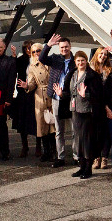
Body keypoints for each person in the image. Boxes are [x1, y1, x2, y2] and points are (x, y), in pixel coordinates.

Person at [57, 50, 100, 179]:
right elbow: (69, 93)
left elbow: (98, 94)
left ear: (86, 61)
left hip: (87, 111)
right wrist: (61, 94)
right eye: (78, 61)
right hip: (75, 110)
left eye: (83, 60)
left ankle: (88, 167)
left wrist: (85, 95)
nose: (80, 63)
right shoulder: (72, 74)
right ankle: (81, 166)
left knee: (86, 140)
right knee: (77, 139)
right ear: (75, 62)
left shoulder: (92, 75)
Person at [40, 34, 76, 166]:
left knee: (74, 130)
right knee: (59, 131)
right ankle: (60, 157)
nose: (64, 49)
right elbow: (41, 58)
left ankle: (76, 156)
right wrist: (48, 45)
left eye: (66, 47)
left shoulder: (75, 60)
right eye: (61, 47)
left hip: (71, 99)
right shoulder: (55, 59)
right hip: (56, 99)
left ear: (70, 47)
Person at [18, 43, 57, 163]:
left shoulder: (51, 62)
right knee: (43, 125)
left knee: (54, 126)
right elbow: (32, 83)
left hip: (53, 95)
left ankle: (55, 151)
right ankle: (46, 152)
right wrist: (26, 86)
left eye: (38, 51)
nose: (36, 53)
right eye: (33, 52)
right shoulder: (32, 67)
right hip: (40, 97)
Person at [88, 46, 112, 169]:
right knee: (94, 132)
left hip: (107, 104)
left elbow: (109, 90)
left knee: (106, 132)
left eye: (105, 54)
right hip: (94, 105)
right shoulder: (90, 68)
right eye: (101, 53)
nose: (103, 56)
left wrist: (107, 106)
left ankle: (104, 158)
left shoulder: (109, 70)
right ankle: (96, 158)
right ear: (96, 54)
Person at [12, 40, 38, 158]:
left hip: (35, 94)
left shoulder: (38, 59)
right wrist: (13, 56)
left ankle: (38, 147)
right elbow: (13, 68)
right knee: (22, 122)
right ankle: (24, 146)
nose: (29, 51)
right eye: (27, 48)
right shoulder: (21, 60)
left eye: (31, 48)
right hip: (23, 94)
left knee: (37, 121)